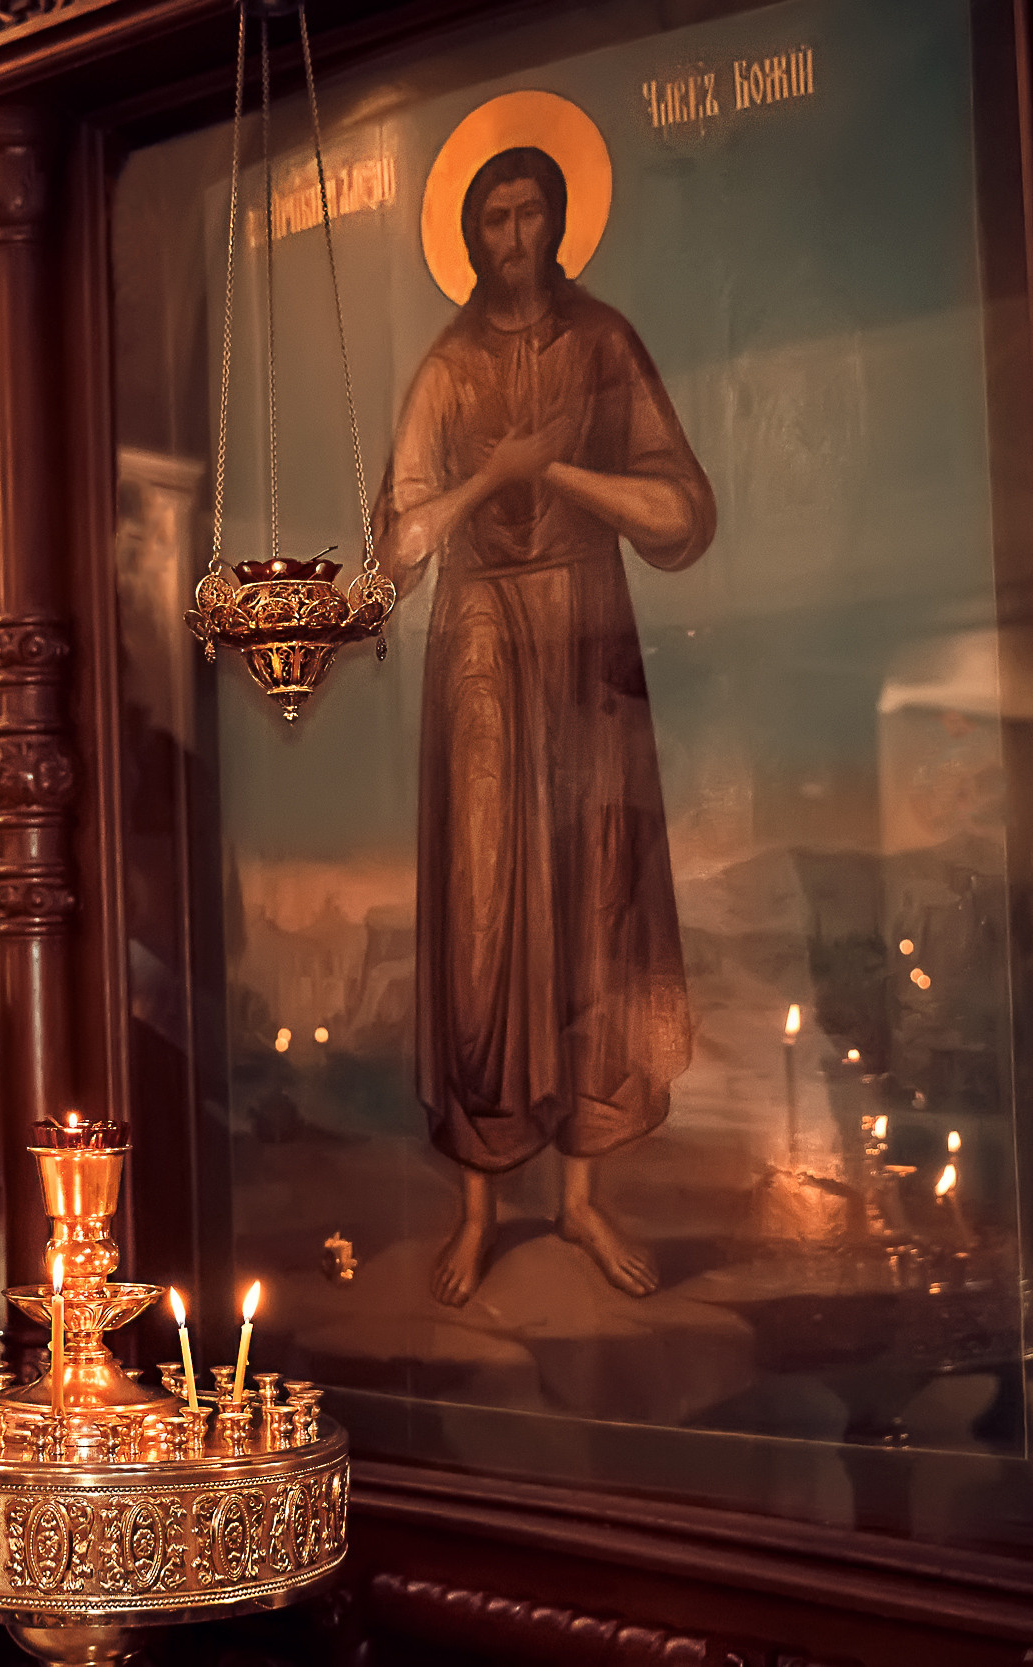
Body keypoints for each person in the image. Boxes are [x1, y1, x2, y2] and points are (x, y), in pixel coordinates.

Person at [377, 145, 714, 1306]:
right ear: (467, 236)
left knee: (595, 900)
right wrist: (491, 479)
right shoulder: (447, 366)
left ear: (559, 221)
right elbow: (398, 548)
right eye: (491, 219)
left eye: (528, 215)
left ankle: (579, 1199)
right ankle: (477, 1209)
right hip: (479, 640)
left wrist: (561, 472)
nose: (510, 238)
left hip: (586, 629)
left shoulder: (603, 342)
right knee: (482, 912)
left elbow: (680, 512)